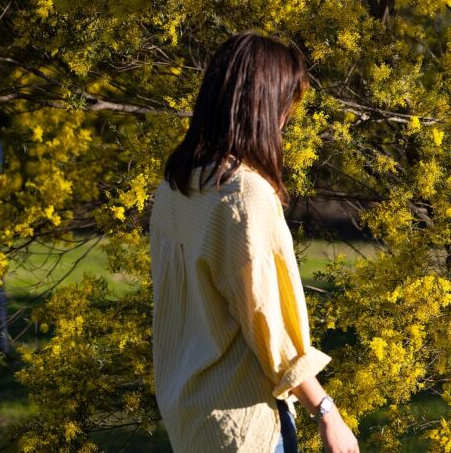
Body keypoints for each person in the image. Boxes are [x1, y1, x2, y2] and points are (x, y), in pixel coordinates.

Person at [149, 31, 361, 453]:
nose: (286, 121)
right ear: (262, 107)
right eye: (286, 107)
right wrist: (327, 412)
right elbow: (271, 326)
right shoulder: (244, 195)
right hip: (244, 424)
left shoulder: (176, 185)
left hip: (189, 415)